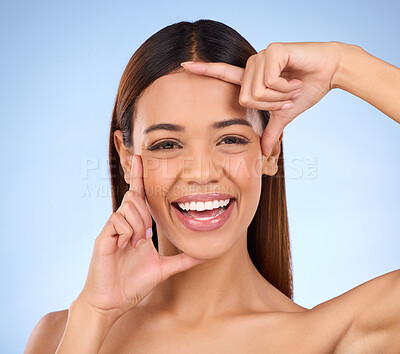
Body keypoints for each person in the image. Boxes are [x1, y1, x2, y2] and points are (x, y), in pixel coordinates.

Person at [25, 19, 400, 353]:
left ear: (269, 151)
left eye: (231, 139)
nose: (202, 173)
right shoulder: (60, 335)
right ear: (127, 157)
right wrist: (94, 315)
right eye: (167, 145)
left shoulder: (334, 337)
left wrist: (343, 64)